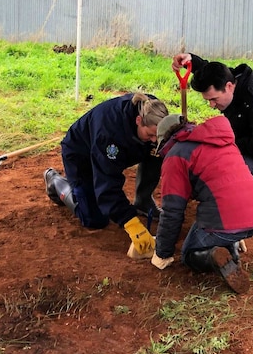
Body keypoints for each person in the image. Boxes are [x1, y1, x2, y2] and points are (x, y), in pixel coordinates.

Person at [172, 52, 253, 226]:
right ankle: (244, 198)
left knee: (245, 166)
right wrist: (192, 62)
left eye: (214, 99)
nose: (211, 105)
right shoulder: (227, 79)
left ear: (230, 86)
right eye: (208, 100)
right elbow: (212, 71)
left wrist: (228, 146)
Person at [150, 114, 253, 294]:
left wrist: (162, 253)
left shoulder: (176, 155)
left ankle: (214, 254)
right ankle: (232, 248)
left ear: (165, 140)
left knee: (189, 254)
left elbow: (172, 211)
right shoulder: (223, 141)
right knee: (219, 221)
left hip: (228, 218)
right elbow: (232, 185)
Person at [44, 92, 168, 258]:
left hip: (117, 150)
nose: (154, 139)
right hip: (82, 155)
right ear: (138, 121)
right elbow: (107, 184)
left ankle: (143, 201)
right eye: (150, 135)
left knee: (157, 150)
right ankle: (56, 182)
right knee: (95, 219)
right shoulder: (110, 134)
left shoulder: (153, 110)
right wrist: (131, 223)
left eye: (156, 135)